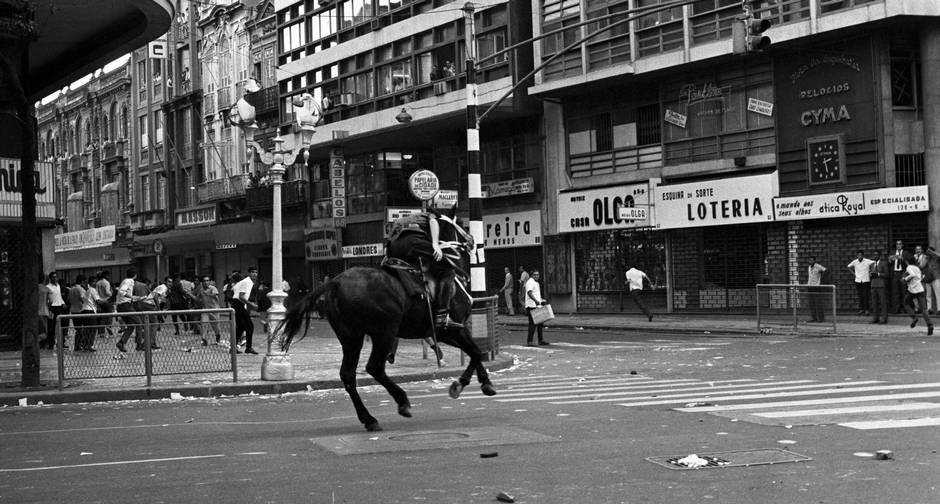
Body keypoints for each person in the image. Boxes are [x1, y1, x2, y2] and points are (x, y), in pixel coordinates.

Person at [386, 210, 463, 328]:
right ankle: (442, 314)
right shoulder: (432, 215)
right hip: (412, 241)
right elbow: (433, 221)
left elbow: (390, 236)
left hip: (394, 246)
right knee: (447, 269)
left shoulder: (408, 218)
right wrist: (435, 244)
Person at [901, 258, 933, 335]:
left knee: (906, 303)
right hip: (920, 289)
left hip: (912, 290)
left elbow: (912, 275)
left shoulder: (909, 267)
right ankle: (930, 325)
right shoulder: (917, 268)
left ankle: (914, 317)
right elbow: (921, 277)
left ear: (907, 261)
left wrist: (905, 279)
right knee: (924, 309)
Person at [232, 267, 259, 354]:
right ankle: (248, 347)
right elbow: (241, 296)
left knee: (241, 327)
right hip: (238, 304)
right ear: (249, 273)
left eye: (256, 272)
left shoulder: (247, 282)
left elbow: (235, 289)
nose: (254, 274)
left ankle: (233, 347)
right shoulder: (247, 282)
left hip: (238, 304)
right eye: (252, 272)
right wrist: (251, 304)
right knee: (250, 326)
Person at [115, 268, 142, 352]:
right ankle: (139, 344)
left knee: (131, 326)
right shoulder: (129, 281)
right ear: (135, 275)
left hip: (122, 306)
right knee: (139, 322)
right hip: (125, 306)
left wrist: (136, 298)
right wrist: (131, 297)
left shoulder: (125, 281)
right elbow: (121, 292)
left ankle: (122, 342)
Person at [195, 275, 223, 345]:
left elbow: (216, 296)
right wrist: (190, 294)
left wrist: (210, 294)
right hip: (205, 310)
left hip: (214, 310)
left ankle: (217, 335)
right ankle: (203, 340)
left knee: (215, 325)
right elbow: (197, 299)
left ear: (209, 282)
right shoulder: (201, 290)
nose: (206, 282)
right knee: (204, 324)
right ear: (201, 282)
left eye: (207, 281)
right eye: (204, 281)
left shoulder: (213, 288)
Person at [524, 270, 549, 346]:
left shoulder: (536, 283)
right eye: (535, 275)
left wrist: (541, 300)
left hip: (537, 305)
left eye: (538, 274)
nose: (537, 276)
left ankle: (540, 340)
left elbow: (536, 294)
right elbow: (529, 292)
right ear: (532, 275)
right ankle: (529, 341)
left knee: (540, 323)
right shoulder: (530, 282)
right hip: (532, 306)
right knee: (532, 324)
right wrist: (535, 301)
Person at [846, 250, 874, 316]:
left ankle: (867, 310)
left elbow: (873, 263)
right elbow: (848, 266)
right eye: (858, 255)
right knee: (860, 295)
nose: (860, 256)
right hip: (858, 280)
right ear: (857, 256)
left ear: (863, 255)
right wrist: (853, 273)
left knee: (866, 295)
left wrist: (871, 271)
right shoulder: (855, 262)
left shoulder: (867, 261)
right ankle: (861, 309)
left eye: (861, 255)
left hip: (866, 280)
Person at [890, 240, 913, 314]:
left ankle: (905, 308)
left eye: (900, 244)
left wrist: (902, 258)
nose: (898, 245)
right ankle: (897, 308)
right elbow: (889, 262)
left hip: (903, 273)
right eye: (897, 244)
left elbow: (911, 261)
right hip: (895, 273)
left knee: (904, 291)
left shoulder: (906, 253)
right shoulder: (892, 252)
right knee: (895, 292)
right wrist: (890, 259)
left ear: (902, 245)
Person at [44, 272, 66, 349]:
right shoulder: (48, 287)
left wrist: (63, 303)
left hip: (59, 307)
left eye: (56, 277)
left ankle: (61, 342)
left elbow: (59, 296)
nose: (55, 278)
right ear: (50, 278)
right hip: (52, 308)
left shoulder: (58, 286)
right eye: (53, 277)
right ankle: (51, 343)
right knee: (51, 326)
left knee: (61, 325)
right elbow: (46, 298)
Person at [869, 250, 890, 324]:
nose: (875, 256)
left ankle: (884, 319)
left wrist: (878, 274)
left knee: (882, 302)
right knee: (874, 303)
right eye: (874, 255)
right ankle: (875, 318)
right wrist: (870, 274)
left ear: (879, 256)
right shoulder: (871, 264)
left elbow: (887, 274)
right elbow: (869, 273)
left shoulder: (883, 263)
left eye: (876, 255)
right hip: (873, 285)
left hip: (881, 285)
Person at [806, 256, 828, 323]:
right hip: (810, 286)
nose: (810, 261)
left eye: (812, 260)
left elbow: (826, 270)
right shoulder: (809, 267)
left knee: (818, 303)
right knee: (811, 303)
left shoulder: (818, 266)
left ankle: (821, 318)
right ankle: (814, 318)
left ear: (814, 261)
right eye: (809, 260)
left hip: (816, 286)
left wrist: (821, 279)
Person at [95, 271, 114, 338]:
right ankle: (109, 327)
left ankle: (101, 332)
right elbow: (107, 292)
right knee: (109, 316)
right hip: (107, 301)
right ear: (106, 276)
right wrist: (111, 293)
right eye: (108, 275)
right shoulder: (106, 282)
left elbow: (96, 292)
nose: (109, 277)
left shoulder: (97, 283)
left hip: (100, 302)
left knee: (102, 317)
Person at [924, 247, 940, 315]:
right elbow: (922, 266)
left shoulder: (936, 257)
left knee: (938, 294)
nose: (929, 253)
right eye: (928, 251)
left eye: (930, 251)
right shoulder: (926, 258)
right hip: (928, 278)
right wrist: (925, 258)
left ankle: (939, 309)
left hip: (935, 277)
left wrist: (933, 252)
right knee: (928, 295)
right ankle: (929, 309)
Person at [37, 273, 51, 345]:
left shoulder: (35, 288)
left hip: (36, 311)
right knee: (45, 331)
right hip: (44, 311)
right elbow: (50, 301)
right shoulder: (46, 289)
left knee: (38, 329)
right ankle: (37, 341)